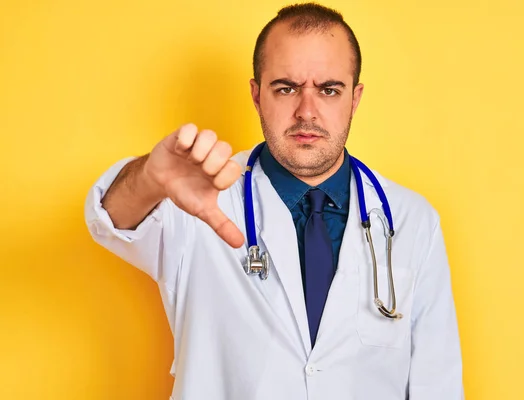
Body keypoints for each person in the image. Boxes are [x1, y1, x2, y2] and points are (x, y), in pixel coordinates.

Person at [84, 3, 464, 399]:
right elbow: (110, 220)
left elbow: (437, 385)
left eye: (329, 90)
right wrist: (149, 178)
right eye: (286, 88)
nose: (307, 112)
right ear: (256, 94)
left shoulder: (412, 220)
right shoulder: (200, 197)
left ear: (354, 98)